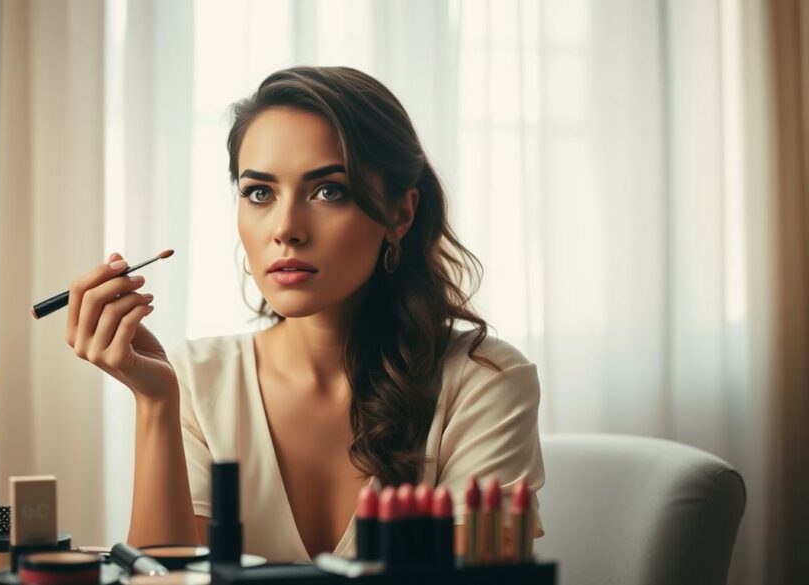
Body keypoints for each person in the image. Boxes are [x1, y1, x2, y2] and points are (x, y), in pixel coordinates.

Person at [63, 66, 544, 563]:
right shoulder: (193, 381)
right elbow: (163, 577)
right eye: (259, 193)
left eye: (328, 191)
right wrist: (155, 401)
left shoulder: (483, 380)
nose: (286, 228)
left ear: (401, 214)